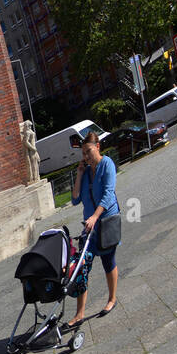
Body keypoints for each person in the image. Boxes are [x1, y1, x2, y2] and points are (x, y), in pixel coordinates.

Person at [65, 131, 120, 328]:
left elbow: (107, 195)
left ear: (97, 147)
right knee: (82, 267)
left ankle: (112, 299)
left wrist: (95, 216)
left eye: (88, 152)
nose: (86, 157)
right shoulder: (86, 171)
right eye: (83, 154)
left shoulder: (107, 164)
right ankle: (79, 313)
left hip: (105, 221)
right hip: (89, 226)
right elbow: (74, 199)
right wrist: (79, 174)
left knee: (108, 260)